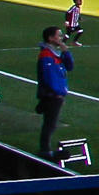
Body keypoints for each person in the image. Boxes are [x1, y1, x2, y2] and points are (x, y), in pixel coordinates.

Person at [33, 27, 72, 158]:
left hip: (56, 94)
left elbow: (70, 66)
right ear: (50, 38)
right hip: (52, 95)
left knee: (51, 123)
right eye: (59, 36)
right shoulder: (46, 55)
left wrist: (66, 52)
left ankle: (45, 149)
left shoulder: (56, 53)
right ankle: (45, 150)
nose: (61, 38)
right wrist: (58, 92)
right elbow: (49, 77)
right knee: (50, 124)